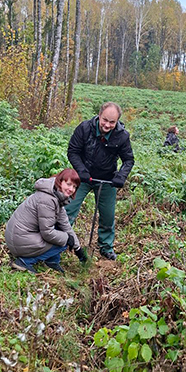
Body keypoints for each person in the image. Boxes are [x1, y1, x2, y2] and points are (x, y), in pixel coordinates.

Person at [65, 102, 135, 261]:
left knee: (108, 216)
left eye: (112, 122)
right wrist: (81, 170)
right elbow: (73, 151)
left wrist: (120, 176)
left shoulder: (122, 136)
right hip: (83, 177)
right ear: (99, 115)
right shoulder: (84, 128)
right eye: (105, 120)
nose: (107, 125)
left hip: (107, 179)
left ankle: (105, 247)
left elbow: (128, 160)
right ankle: (61, 242)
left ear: (117, 121)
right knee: (68, 210)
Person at [5, 169, 87, 274]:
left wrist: (78, 249)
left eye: (74, 187)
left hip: (20, 236)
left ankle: (52, 261)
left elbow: (65, 226)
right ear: (60, 182)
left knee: (64, 234)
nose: (71, 189)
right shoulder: (47, 199)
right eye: (69, 184)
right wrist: (67, 239)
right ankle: (24, 262)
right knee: (63, 241)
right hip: (19, 240)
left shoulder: (57, 196)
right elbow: (47, 233)